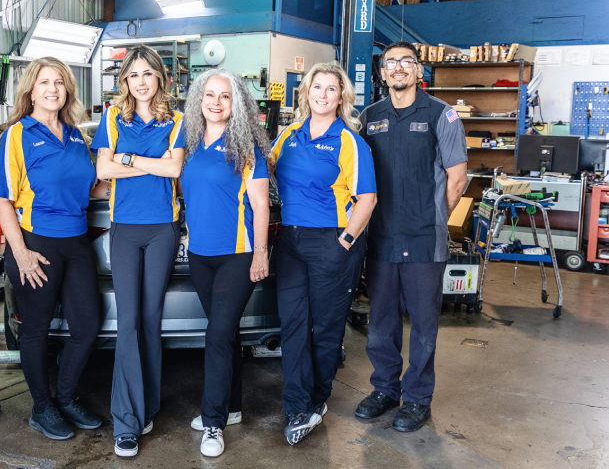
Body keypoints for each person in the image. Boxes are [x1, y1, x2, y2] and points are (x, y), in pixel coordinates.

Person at [355, 40, 468, 432]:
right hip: (381, 237)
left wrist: (433, 219)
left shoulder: (443, 115)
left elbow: (457, 179)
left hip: (424, 239)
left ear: (419, 70)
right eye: (391, 63)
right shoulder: (369, 117)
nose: (398, 68)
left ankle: (418, 398)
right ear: (382, 73)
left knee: (423, 324)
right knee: (381, 321)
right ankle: (385, 389)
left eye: (407, 62)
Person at [0, 57, 105, 441]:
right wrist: (19, 253)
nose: (53, 89)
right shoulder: (18, 135)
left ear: (68, 90)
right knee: (36, 331)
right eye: (44, 82)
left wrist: (143, 177)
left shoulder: (76, 136)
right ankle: (42, 408)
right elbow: (3, 198)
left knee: (87, 325)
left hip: (75, 242)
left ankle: (68, 398)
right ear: (31, 90)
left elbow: (92, 190)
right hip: (35, 244)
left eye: (59, 82)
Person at [269, 62, 377, 445]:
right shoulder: (289, 135)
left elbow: (367, 198)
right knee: (293, 325)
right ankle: (299, 404)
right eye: (318, 87)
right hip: (292, 242)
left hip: (332, 240)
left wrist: (345, 241)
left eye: (332, 89)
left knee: (325, 327)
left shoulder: (349, 141)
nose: (323, 94)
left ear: (342, 97)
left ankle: (317, 399)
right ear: (306, 92)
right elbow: (264, 168)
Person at [89, 45, 185, 458]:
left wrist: (128, 159)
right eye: (133, 75)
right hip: (125, 229)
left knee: (150, 319)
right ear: (124, 81)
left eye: (148, 73)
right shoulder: (112, 118)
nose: (141, 81)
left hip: (163, 229)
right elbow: (104, 170)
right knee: (126, 321)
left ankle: (147, 406)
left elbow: (175, 169)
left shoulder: (179, 121)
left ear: (160, 78)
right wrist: (146, 159)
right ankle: (126, 423)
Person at [180, 68, 271, 458]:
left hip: (238, 254)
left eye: (225, 97)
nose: (216, 103)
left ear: (237, 104)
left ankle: (213, 422)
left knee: (216, 334)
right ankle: (232, 406)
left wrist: (261, 252)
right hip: (200, 255)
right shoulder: (188, 142)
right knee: (226, 332)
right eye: (209, 95)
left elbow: (261, 204)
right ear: (199, 101)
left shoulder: (245, 146)